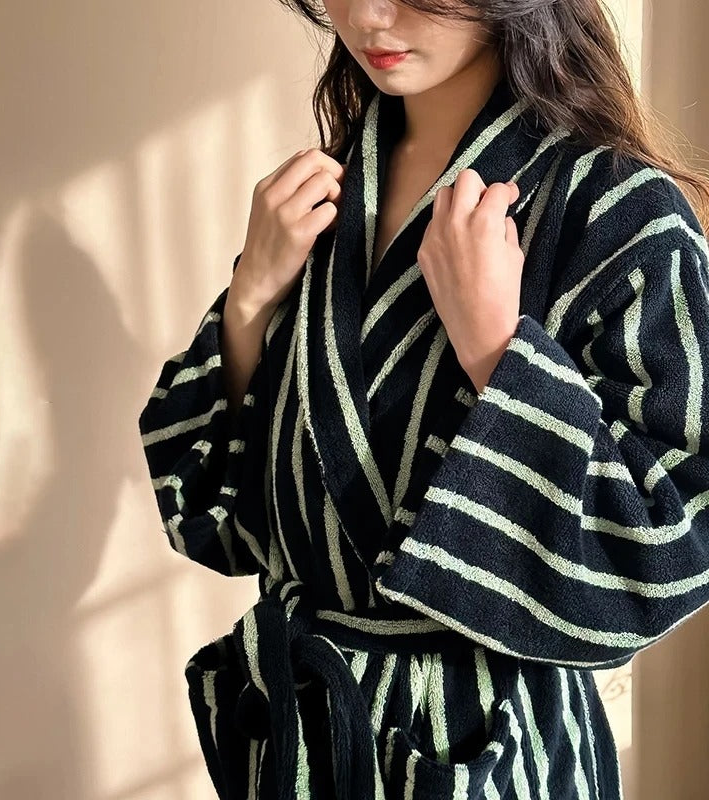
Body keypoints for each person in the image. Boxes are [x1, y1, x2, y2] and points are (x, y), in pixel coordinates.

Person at [138, 1, 709, 798]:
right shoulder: (324, 198)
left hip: (495, 759)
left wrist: (496, 350)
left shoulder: (618, 209)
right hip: (309, 751)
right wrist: (249, 302)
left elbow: (667, 550)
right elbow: (215, 523)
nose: (368, 15)